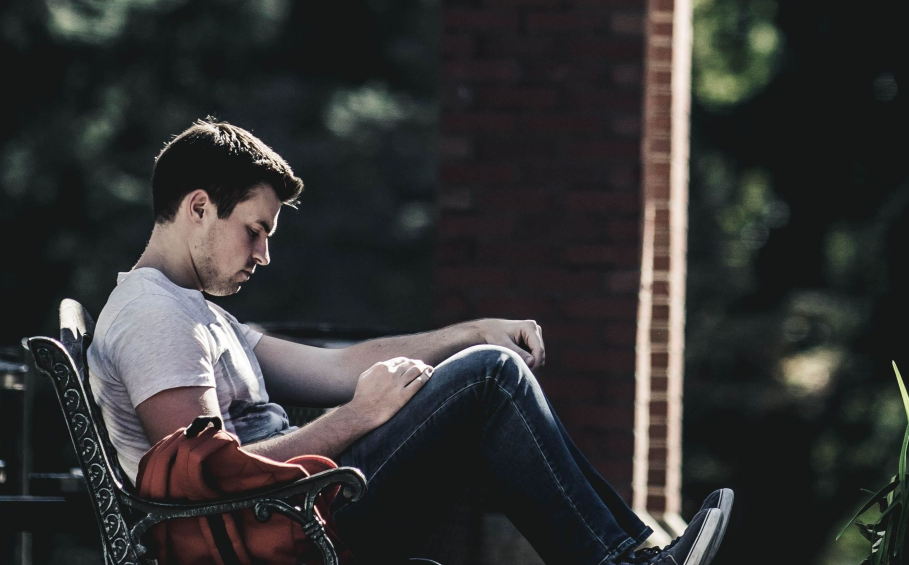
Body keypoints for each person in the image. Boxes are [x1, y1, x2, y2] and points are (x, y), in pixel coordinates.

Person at [88, 119, 732, 565]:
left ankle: (628, 556)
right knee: (489, 379)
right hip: (287, 524)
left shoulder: (195, 311)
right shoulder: (153, 315)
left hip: (298, 508)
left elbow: (337, 366)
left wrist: (471, 331)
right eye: (255, 231)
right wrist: (360, 416)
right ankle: (623, 561)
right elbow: (207, 489)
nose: (264, 254)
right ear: (199, 207)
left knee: (485, 365)